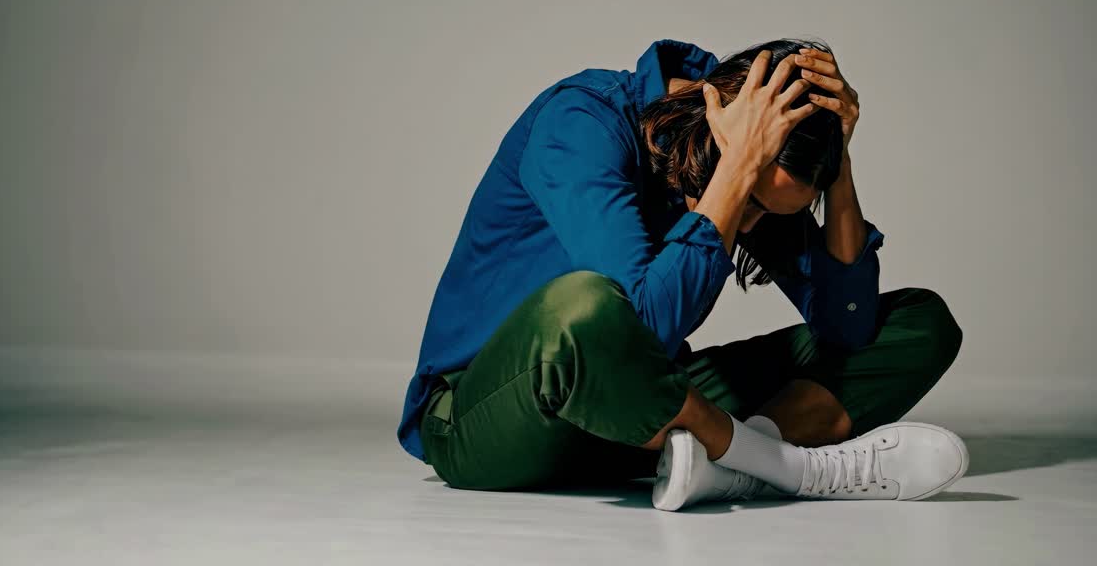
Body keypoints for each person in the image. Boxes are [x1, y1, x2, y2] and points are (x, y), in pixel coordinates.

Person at [397, 38, 967, 511]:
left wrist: (837, 167)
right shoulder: (582, 121)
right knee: (584, 307)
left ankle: (712, 462)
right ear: (711, 118)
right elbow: (640, 328)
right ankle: (784, 466)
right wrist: (739, 170)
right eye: (749, 201)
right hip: (490, 416)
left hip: (637, 413)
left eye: (764, 210)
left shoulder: (755, 163)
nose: (749, 224)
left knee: (920, 323)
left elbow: (848, 326)